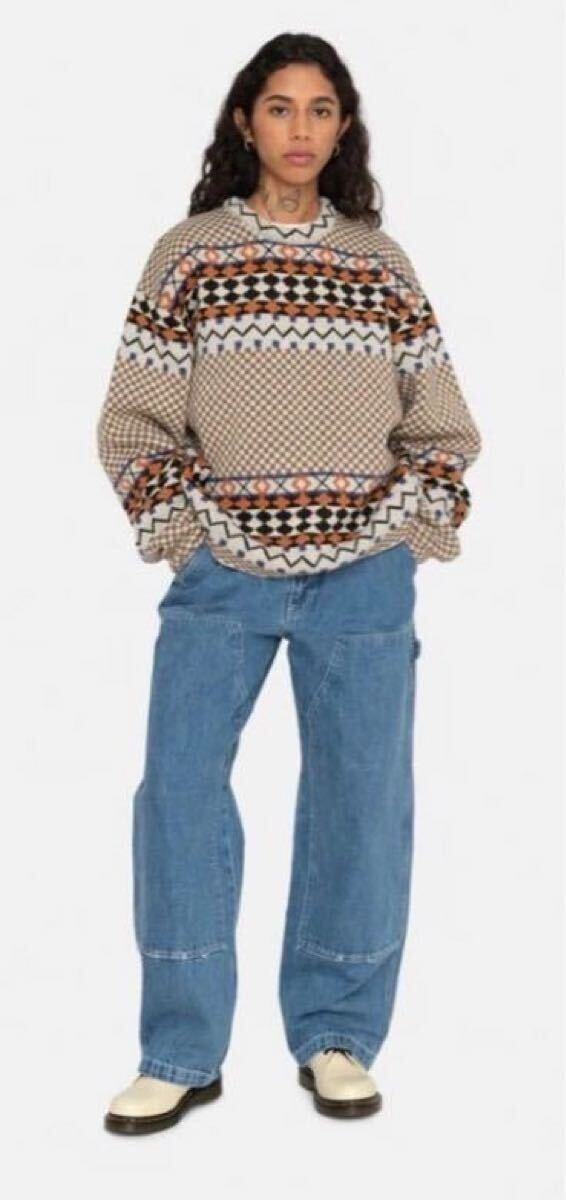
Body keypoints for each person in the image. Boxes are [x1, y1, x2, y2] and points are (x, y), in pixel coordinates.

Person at [98, 31, 482, 1134]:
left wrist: (407, 527)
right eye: (279, 107)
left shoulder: (378, 262)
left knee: (359, 805)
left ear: (343, 126)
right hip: (223, 570)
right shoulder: (188, 256)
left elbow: (442, 425)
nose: (300, 129)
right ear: (244, 121)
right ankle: (180, 1049)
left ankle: (336, 1036)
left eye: (320, 109)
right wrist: (187, 532)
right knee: (177, 795)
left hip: (363, 574)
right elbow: (133, 421)